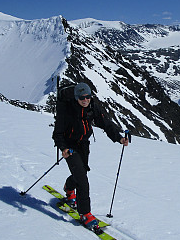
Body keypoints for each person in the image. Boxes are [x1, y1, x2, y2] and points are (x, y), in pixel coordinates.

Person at [52, 82, 128, 230]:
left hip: (83, 145)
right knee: (82, 180)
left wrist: (119, 138)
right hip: (70, 147)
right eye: (82, 98)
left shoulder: (92, 107)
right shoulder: (67, 111)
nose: (85, 100)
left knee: (81, 173)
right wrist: (64, 148)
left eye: (88, 97)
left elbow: (105, 123)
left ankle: (68, 188)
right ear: (76, 98)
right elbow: (58, 133)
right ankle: (85, 214)